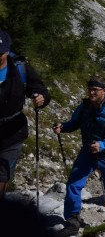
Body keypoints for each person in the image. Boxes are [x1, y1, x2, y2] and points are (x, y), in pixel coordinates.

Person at [52, 76, 105, 236]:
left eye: (95, 90)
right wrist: (62, 127)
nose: (91, 92)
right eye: (90, 89)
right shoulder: (84, 106)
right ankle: (72, 221)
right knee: (73, 183)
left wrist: (103, 144)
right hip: (88, 152)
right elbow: (74, 123)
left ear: (104, 91)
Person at [0, 30, 50, 201]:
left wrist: (41, 98)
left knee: (2, 177)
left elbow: (39, 89)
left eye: (1, 52)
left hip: (12, 133)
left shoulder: (20, 67)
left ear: (7, 50)